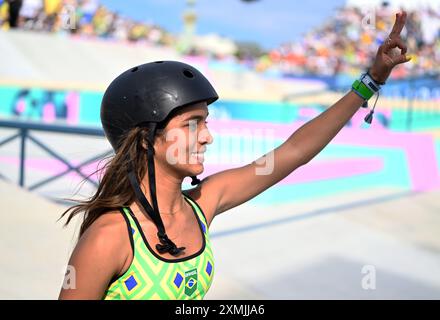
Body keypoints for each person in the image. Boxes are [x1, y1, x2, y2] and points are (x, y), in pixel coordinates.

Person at [58, 11, 411, 300]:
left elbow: (294, 151)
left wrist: (371, 80)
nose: (208, 136)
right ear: (147, 139)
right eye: (192, 124)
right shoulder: (109, 237)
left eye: (206, 123)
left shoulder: (202, 204)